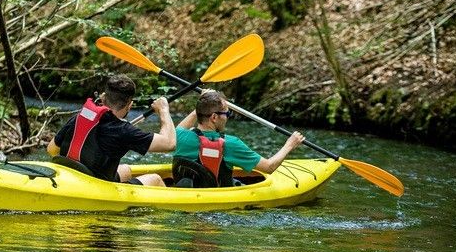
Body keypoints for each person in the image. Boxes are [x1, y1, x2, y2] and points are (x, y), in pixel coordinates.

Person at [47, 74, 175, 186]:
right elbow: (170, 143)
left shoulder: (82, 117)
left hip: (72, 175)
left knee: (126, 170)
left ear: (103, 98)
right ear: (129, 105)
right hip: (96, 184)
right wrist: (164, 109)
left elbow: (52, 149)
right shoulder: (124, 131)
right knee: (156, 179)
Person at [172, 89, 306, 187]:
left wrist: (203, 104)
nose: (228, 117)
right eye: (227, 113)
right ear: (214, 117)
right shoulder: (230, 144)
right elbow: (269, 167)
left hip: (187, 196)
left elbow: (180, 128)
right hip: (219, 206)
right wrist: (290, 144)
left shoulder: (179, 137)